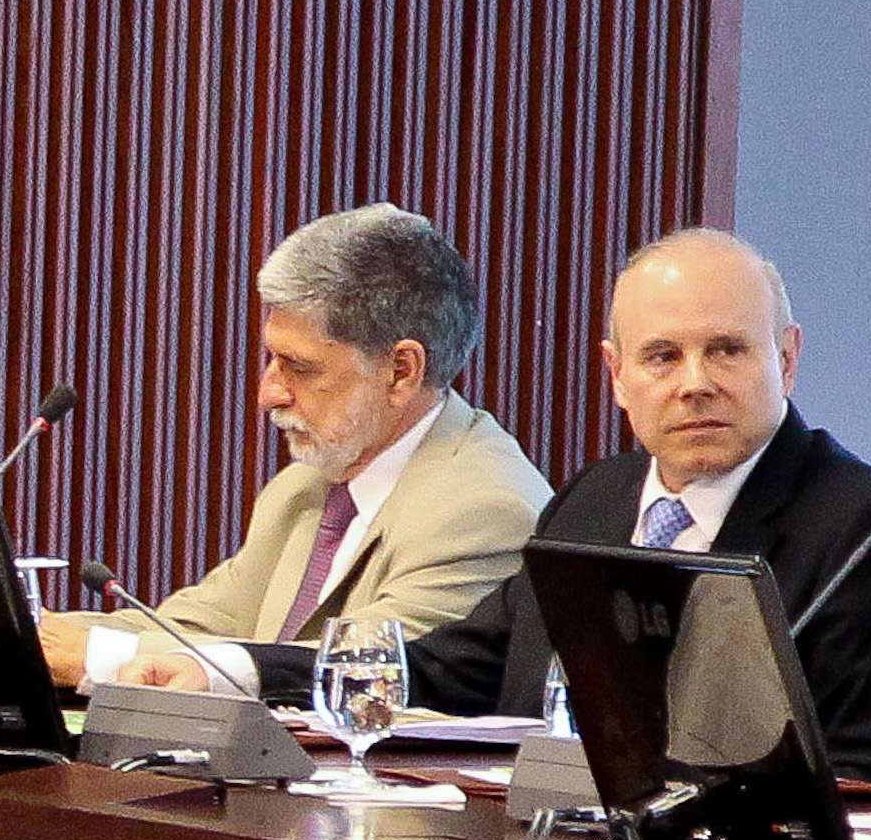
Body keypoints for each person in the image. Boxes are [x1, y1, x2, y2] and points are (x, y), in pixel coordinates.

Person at [399, 229, 871, 784]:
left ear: (786, 360)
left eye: (726, 351)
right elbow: (453, 673)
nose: (696, 384)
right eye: (663, 356)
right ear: (618, 376)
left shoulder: (869, 533)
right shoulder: (593, 500)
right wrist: (332, 676)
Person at [37, 204, 551, 699]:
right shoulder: (305, 488)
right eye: (271, 360)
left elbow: (355, 668)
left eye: (299, 368)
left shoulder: (483, 509)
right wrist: (21, 631)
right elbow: (191, 625)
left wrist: (98, 657)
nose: (269, 393)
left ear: (401, 371)